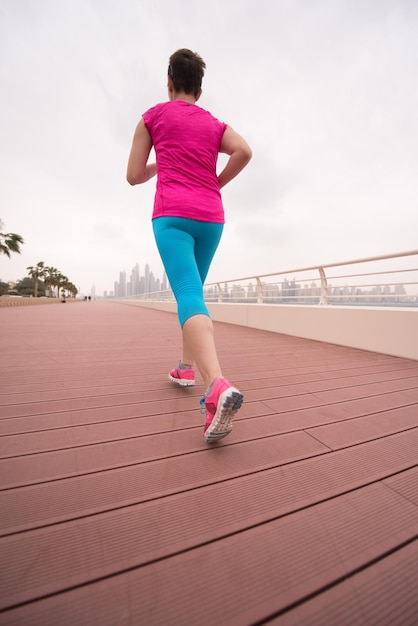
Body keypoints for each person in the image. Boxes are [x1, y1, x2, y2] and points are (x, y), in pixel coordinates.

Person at [127, 48, 252, 443]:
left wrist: (160, 163)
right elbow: (244, 151)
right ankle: (184, 366)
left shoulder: (152, 117)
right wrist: (216, 183)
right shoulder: (213, 123)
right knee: (192, 294)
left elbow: (132, 176)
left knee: (186, 292)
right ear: (199, 89)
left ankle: (216, 385)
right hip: (211, 218)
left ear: (169, 83)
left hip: (173, 215)